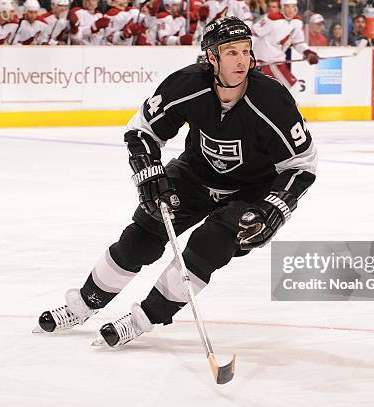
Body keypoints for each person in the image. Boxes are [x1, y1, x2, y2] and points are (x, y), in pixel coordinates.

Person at [34, 16, 317, 350]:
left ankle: (143, 319)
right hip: (194, 175)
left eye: (245, 51)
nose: (241, 60)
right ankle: (82, 305)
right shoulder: (188, 85)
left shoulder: (272, 100)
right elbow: (142, 130)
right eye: (230, 52)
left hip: (250, 190)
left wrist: (276, 207)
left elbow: (302, 164)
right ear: (212, 57)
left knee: (208, 245)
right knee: (141, 236)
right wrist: (149, 172)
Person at [251, 0, 319, 89]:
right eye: (287, 6)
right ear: (282, 7)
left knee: (279, 91)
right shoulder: (272, 19)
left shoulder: (297, 22)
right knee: (293, 88)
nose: (290, 10)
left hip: (278, 62)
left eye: (292, 6)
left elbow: (298, 42)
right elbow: (253, 34)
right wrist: (251, 56)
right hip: (267, 62)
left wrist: (307, 52)